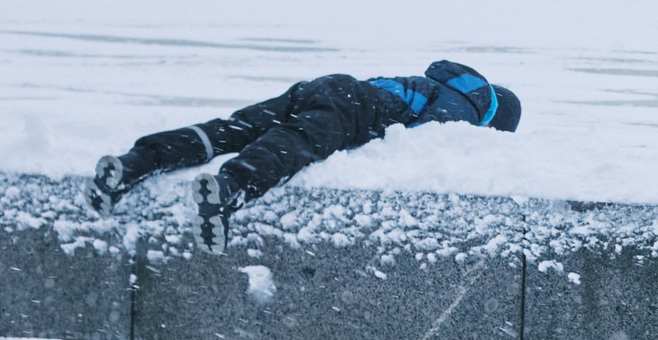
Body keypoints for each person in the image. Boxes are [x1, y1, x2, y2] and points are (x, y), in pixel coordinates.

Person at [86, 60, 521, 247]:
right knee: (296, 144)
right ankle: (229, 188)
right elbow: (428, 139)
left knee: (231, 130)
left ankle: (133, 165)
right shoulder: (466, 108)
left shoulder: (448, 87)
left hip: (328, 87)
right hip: (351, 107)